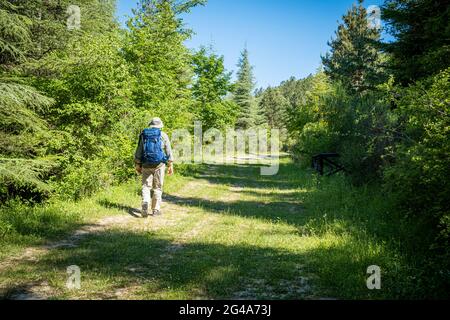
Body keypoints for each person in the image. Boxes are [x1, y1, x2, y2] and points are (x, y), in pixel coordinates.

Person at [134, 117, 174, 218]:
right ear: (160, 125)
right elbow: (168, 151)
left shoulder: (143, 135)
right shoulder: (163, 135)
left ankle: (145, 202)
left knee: (146, 186)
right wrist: (170, 164)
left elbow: (139, 150)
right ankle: (155, 210)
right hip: (159, 165)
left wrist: (137, 164)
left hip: (146, 164)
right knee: (157, 187)